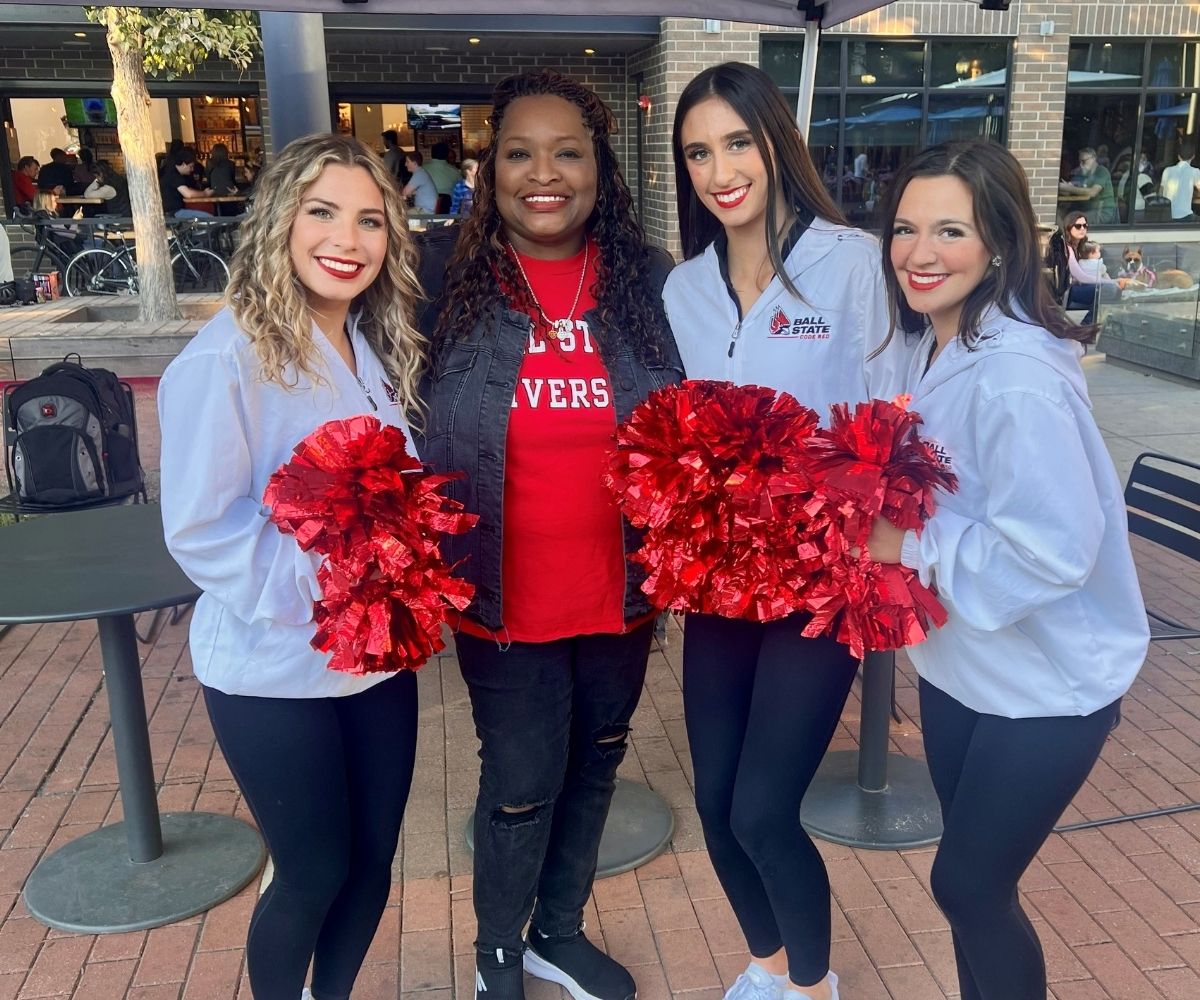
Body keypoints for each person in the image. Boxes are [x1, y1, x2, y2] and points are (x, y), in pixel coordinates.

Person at [414, 69, 683, 1000]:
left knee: (598, 765)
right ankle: (498, 951)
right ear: (488, 172)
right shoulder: (441, 280)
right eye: (519, 153)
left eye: (568, 151)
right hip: (502, 598)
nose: (545, 173)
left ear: (600, 169)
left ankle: (556, 935)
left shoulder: (646, 282)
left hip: (621, 593)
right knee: (522, 782)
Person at [870, 139, 1149, 1000]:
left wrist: (901, 543)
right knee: (972, 894)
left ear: (998, 241)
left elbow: (1055, 547)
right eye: (906, 228)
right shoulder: (935, 347)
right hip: (965, 673)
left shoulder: (1016, 375)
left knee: (968, 884)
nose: (921, 253)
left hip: (1048, 686)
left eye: (949, 230)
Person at [663, 62, 912, 1000]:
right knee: (717, 807)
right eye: (698, 151)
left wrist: (872, 530)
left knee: (766, 811)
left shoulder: (853, 265)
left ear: (776, 144)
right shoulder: (683, 288)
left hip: (823, 580)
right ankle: (768, 966)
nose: (719, 168)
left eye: (737, 142)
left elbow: (899, 416)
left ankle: (813, 986)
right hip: (722, 582)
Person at [158, 133, 427, 1000]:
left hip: (377, 665)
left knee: (373, 867)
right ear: (279, 217)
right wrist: (335, 583)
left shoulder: (372, 348)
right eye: (322, 212)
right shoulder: (224, 358)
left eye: (369, 220)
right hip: (273, 672)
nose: (346, 239)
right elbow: (202, 529)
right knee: (311, 874)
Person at [1058, 147, 1117, 224]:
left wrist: (1068, 188)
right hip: (1086, 209)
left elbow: (1092, 192)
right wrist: (1066, 187)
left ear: (1094, 158)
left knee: (1071, 221)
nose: (1081, 165)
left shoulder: (1102, 171)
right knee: (1060, 214)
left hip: (1102, 212)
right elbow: (1071, 190)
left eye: (1084, 161)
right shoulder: (1083, 173)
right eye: (1079, 162)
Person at [159, 148, 215, 219]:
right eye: (190, 166)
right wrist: (205, 194)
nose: (192, 170)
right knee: (209, 218)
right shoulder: (174, 175)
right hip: (173, 213)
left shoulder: (170, 171)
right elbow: (188, 194)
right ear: (183, 164)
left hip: (171, 212)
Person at [1159, 144, 1200, 221]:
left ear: (1178, 156)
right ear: (1193, 156)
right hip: (1185, 215)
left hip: (1167, 215)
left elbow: (1161, 192)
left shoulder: (1167, 170)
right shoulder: (1195, 171)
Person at [422, 140, 462, 213]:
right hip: (448, 212)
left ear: (431, 154)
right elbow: (461, 192)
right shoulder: (455, 171)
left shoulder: (422, 169)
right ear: (446, 155)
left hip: (425, 212)